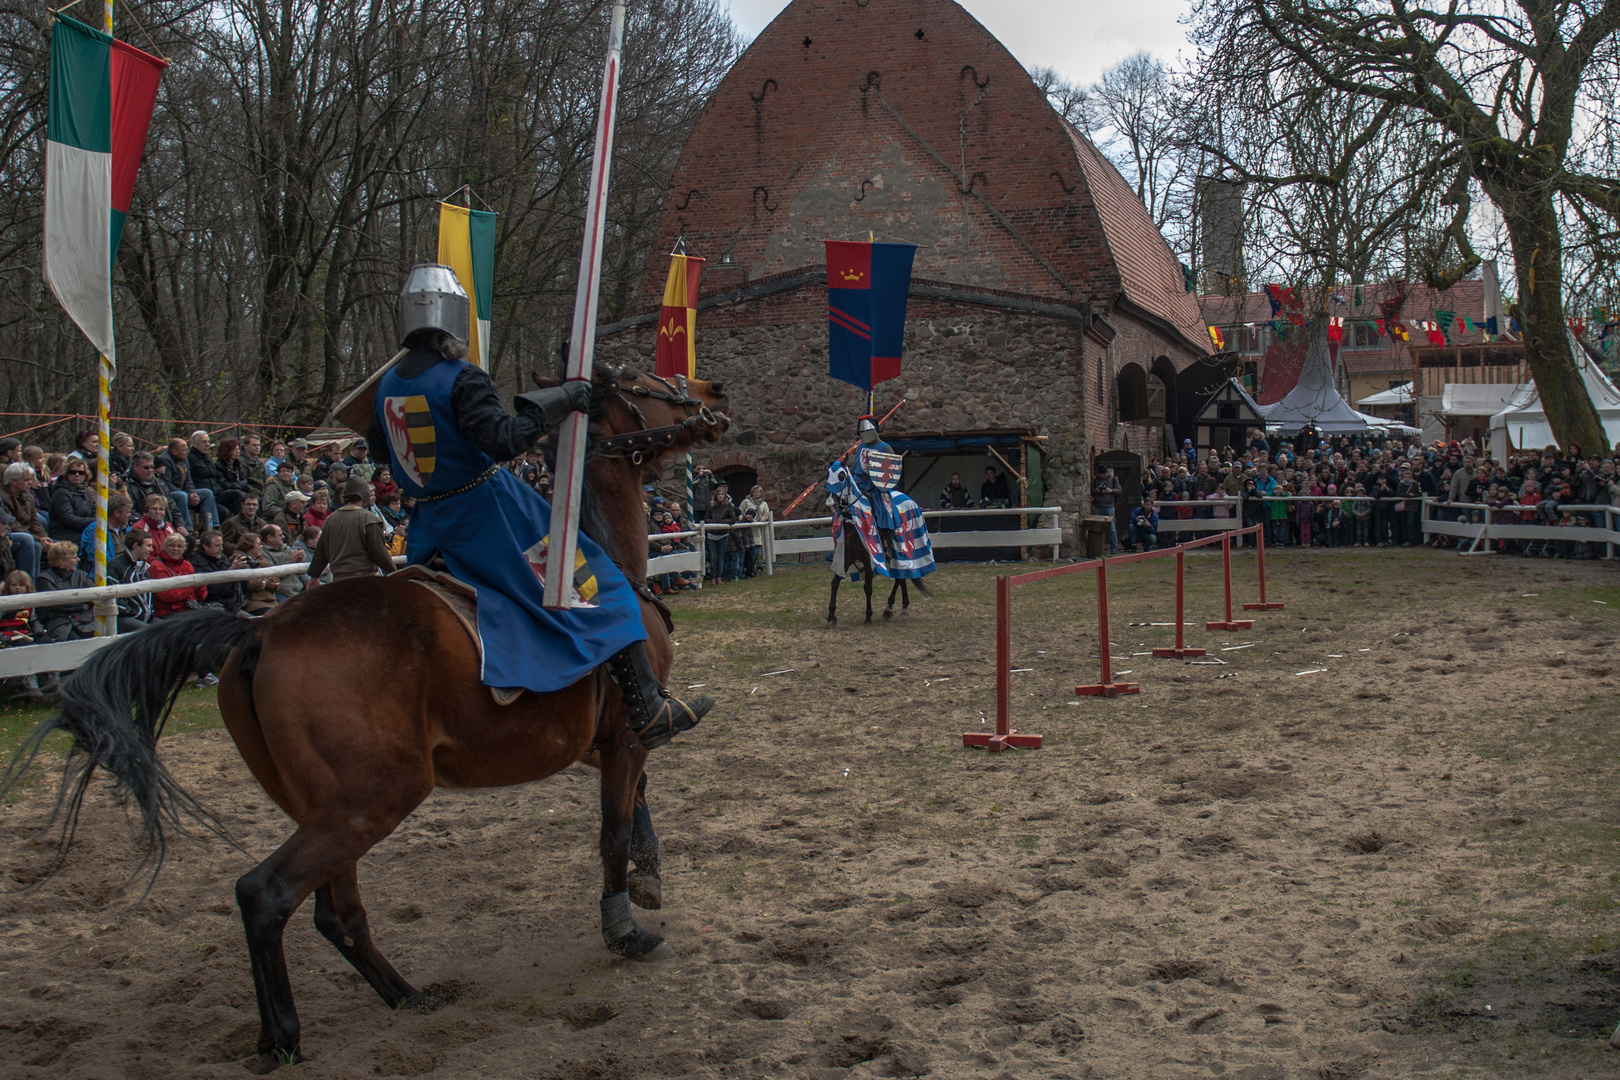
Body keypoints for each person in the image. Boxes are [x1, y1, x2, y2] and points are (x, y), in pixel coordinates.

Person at [365, 263, 710, 745]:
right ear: (454, 319)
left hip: (428, 524)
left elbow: (381, 451)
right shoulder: (461, 378)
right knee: (601, 585)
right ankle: (647, 707)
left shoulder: (385, 387)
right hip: (492, 517)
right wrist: (565, 397)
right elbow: (504, 440)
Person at [305, 479, 394, 583]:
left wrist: (314, 577)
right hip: (363, 581)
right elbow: (378, 552)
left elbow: (321, 552)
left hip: (338, 581)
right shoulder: (369, 519)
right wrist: (395, 572)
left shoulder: (330, 519)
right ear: (362, 496)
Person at [35, 541, 96, 641]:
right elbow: (57, 604)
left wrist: (81, 603)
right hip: (60, 625)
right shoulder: (44, 579)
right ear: (61, 561)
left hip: (86, 621)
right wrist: (82, 605)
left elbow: (92, 597)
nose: (78, 560)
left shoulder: (81, 575)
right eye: (74, 557)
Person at [126, 452, 189, 536]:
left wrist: (179, 525)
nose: (150, 470)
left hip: (166, 527)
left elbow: (172, 507)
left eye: (152, 467)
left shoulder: (160, 484)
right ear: (135, 468)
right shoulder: (127, 487)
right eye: (146, 468)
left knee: (189, 541)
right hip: (143, 531)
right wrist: (149, 527)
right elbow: (131, 513)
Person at [148, 532, 207, 621]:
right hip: (168, 612)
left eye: (179, 546)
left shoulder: (187, 565)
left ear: (184, 549)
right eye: (172, 545)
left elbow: (202, 596)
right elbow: (165, 595)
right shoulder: (156, 566)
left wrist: (200, 586)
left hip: (190, 608)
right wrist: (192, 586)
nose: (175, 549)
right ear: (165, 547)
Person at [1, 461, 45, 580]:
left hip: (28, 534)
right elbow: (11, 525)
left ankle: (33, 584)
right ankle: (24, 582)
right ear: (13, 481)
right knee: (27, 540)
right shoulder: (2, 497)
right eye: (26, 480)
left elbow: (35, 522)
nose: (30, 483)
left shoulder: (27, 496)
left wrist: (43, 537)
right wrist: (38, 538)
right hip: (9, 534)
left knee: (42, 545)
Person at [108, 527, 155, 630]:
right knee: (151, 633)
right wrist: (131, 611)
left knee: (171, 629)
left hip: (146, 618)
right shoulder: (115, 566)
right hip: (125, 618)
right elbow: (112, 597)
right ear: (135, 545)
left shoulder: (143, 567)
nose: (151, 550)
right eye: (148, 546)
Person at [78, 492, 133, 572]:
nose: (130, 515)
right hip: (104, 575)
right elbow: (98, 560)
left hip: (125, 571)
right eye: (127, 512)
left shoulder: (126, 528)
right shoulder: (95, 530)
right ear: (117, 513)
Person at [47, 457, 96, 543]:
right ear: (67, 474)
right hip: (63, 532)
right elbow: (68, 519)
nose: (77, 475)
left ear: (86, 475)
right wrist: (95, 521)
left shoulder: (86, 491)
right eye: (73, 472)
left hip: (83, 529)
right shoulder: (61, 492)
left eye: (81, 473)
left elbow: (94, 510)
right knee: (92, 540)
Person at [738, 484, 771, 578]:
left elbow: (766, 515)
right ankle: (744, 570)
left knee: (755, 553)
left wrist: (759, 521)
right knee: (746, 552)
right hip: (746, 531)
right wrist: (744, 520)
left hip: (756, 531)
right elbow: (740, 512)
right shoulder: (746, 502)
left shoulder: (764, 504)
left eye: (758, 492)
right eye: (755, 492)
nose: (756, 493)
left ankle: (749, 570)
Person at [1091, 466, 1122, 553]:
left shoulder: (1113, 479)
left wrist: (1111, 491)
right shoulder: (1095, 480)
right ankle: (1098, 548)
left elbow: (1119, 490)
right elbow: (1090, 492)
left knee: (1112, 528)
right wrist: (1096, 490)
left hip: (1109, 506)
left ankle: (1113, 548)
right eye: (1101, 474)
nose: (1103, 476)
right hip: (1098, 506)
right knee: (1097, 528)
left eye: (1104, 474)